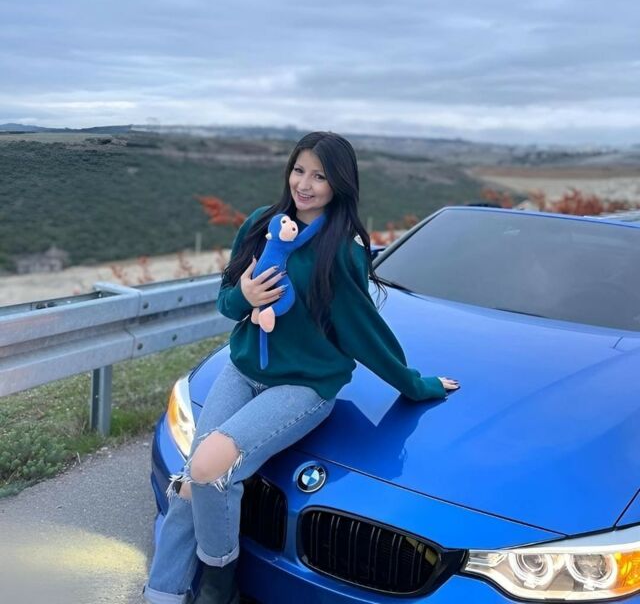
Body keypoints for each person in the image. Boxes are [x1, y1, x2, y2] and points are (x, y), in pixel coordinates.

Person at [142, 131, 460, 604]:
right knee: (191, 483)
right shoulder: (261, 224)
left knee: (207, 468)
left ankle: (218, 587)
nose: (305, 185)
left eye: (320, 176)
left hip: (303, 386)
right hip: (243, 369)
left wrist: (416, 384)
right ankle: (162, 594)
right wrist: (245, 296)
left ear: (340, 184)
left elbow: (363, 331)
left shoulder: (342, 250)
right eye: (299, 170)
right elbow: (227, 302)